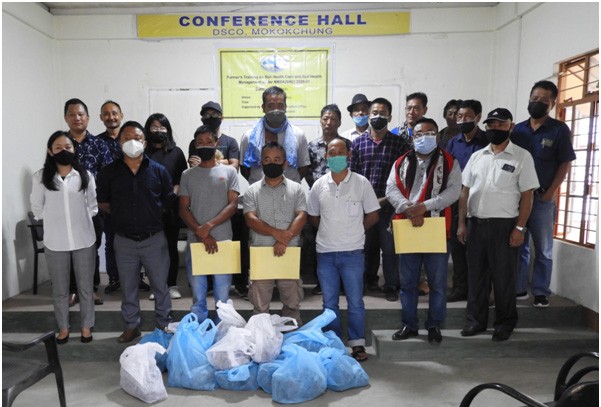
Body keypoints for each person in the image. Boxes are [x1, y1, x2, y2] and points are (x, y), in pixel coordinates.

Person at [457, 108, 539, 341]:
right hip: (476, 225)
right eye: (491, 125)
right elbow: (465, 192)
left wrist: (520, 228)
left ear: (511, 127)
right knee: (477, 277)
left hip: (504, 227)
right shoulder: (477, 156)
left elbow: (527, 196)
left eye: (501, 125)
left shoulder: (522, 157)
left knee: (503, 278)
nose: (495, 129)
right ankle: (476, 321)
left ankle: (504, 322)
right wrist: (462, 223)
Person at [96, 121, 176, 343]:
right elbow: (103, 203)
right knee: (128, 287)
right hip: (124, 240)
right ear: (120, 142)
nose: (132, 142)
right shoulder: (108, 173)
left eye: (137, 138)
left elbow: (168, 201)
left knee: (161, 286)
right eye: (127, 138)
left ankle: (164, 325)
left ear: (145, 142)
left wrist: (148, 213)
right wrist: (124, 216)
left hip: (154, 239)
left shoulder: (159, 171)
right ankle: (132, 326)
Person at [386, 118, 462, 343]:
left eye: (430, 133)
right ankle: (409, 324)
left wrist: (424, 207)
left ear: (438, 136)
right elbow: (391, 189)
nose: (424, 137)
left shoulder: (450, 162)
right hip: (407, 225)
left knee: (437, 283)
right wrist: (408, 208)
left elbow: (454, 191)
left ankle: (434, 325)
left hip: (436, 227)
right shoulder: (401, 162)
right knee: (408, 282)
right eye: (419, 134)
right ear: (412, 137)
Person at [308, 138, 380, 361]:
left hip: (352, 253)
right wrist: (329, 232)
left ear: (349, 154)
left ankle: (357, 344)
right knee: (329, 302)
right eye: (332, 152)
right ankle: (334, 343)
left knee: (355, 301)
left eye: (341, 151)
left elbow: (373, 215)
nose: (336, 155)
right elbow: (313, 217)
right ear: (326, 156)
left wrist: (355, 230)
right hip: (326, 253)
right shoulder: (318, 185)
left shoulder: (361, 183)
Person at [511, 80, 576, 308]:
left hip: (542, 198)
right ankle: (519, 288)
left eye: (542, 100)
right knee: (519, 243)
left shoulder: (559, 130)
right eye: (533, 99)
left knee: (544, 247)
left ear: (552, 102)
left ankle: (540, 290)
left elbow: (565, 163)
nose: (536, 103)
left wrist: (551, 193)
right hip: (518, 197)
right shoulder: (517, 129)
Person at [30, 131, 97, 344]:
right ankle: (63, 328)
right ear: (50, 151)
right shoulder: (41, 177)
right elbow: (37, 208)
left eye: (67, 147)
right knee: (60, 289)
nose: (63, 151)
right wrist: (53, 220)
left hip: (83, 239)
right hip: (55, 241)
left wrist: (82, 218)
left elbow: (93, 206)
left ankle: (86, 327)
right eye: (58, 148)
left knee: (85, 287)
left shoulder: (84, 175)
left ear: (74, 149)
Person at [350, 97, 411, 301]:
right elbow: (354, 176)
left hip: (390, 206)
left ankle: (392, 285)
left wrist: (386, 200)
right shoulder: (358, 144)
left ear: (390, 117)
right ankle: (369, 281)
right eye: (374, 113)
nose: (377, 117)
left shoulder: (399, 144)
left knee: (390, 248)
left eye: (382, 113)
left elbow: (404, 178)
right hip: (364, 207)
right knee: (367, 247)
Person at [243, 142, 307, 325]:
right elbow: (250, 219)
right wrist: (280, 235)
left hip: (289, 254)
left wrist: (284, 240)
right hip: (261, 254)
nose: (272, 163)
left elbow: (302, 216)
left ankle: (292, 342)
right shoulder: (251, 191)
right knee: (259, 308)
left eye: (277, 159)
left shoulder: (297, 189)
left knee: (292, 305)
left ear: (285, 163)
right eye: (267, 159)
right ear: (261, 163)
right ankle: (262, 346)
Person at [179, 125, 239, 320]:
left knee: (222, 297)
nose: (204, 145)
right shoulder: (187, 175)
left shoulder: (229, 172)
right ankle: (199, 332)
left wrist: (207, 227)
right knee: (198, 296)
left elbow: (232, 205)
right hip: (196, 242)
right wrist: (200, 232)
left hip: (222, 241)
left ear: (216, 144)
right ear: (195, 146)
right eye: (200, 143)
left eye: (209, 142)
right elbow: (183, 208)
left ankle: (224, 334)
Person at [64, 98, 112, 306]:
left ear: (88, 118)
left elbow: (109, 175)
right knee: (70, 248)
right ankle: (73, 290)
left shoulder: (99, 144)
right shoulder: (60, 144)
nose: (77, 118)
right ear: (66, 118)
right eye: (72, 114)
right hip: (65, 207)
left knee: (91, 247)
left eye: (81, 114)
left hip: (93, 206)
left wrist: (103, 201)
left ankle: (91, 289)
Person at [445, 99, 488, 302]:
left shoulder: (487, 140)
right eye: (459, 116)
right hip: (456, 200)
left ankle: (480, 292)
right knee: (458, 248)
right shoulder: (453, 142)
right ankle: (460, 288)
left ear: (478, 118)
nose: (462, 120)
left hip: (480, 200)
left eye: (467, 116)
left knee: (479, 251)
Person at [306, 104, 352, 295]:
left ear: (339, 122)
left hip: (344, 198)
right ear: (320, 120)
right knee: (319, 239)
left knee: (343, 239)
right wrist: (319, 188)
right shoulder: (312, 146)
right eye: (325, 118)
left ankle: (343, 283)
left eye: (333, 118)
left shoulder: (347, 144)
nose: (328, 122)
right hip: (320, 198)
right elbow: (306, 171)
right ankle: (321, 282)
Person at [143, 113, 188, 300]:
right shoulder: (143, 153)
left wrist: (169, 197)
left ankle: (172, 285)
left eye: (162, 128)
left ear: (168, 131)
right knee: (153, 249)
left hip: (170, 207)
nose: (158, 131)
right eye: (154, 127)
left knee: (170, 246)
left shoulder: (176, 152)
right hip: (148, 208)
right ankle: (156, 286)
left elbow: (181, 178)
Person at [240, 86, 310, 185]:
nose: (276, 110)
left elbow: (303, 167)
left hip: (289, 193)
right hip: (259, 191)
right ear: (263, 108)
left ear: (286, 107)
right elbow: (244, 169)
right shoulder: (249, 136)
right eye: (271, 106)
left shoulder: (298, 134)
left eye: (280, 105)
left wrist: (288, 184)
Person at [97, 100, 124, 294]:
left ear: (121, 115)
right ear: (101, 118)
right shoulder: (97, 143)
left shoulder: (131, 138)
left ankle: (136, 278)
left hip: (132, 200)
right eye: (106, 114)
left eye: (114, 113)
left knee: (134, 241)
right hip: (107, 202)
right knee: (111, 242)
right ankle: (114, 278)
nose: (111, 117)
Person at [187, 101, 240, 169]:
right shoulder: (196, 142)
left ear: (222, 118)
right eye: (206, 115)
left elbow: (234, 167)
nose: (211, 117)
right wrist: (225, 162)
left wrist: (208, 162)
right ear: (202, 119)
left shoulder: (230, 142)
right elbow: (194, 166)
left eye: (215, 114)